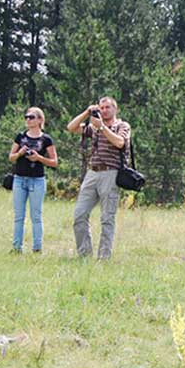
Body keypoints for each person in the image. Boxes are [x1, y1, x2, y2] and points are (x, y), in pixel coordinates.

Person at [67, 96, 130, 259]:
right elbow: (71, 127)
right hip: (92, 172)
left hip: (111, 172)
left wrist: (102, 127)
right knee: (79, 215)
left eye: (107, 107)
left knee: (107, 218)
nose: (104, 110)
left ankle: (104, 257)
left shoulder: (121, 126)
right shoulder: (93, 127)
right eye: (101, 108)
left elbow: (120, 143)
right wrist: (87, 112)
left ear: (115, 109)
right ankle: (84, 254)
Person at [8, 107, 58, 253]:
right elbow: (11, 157)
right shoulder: (20, 137)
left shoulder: (46, 139)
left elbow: (54, 162)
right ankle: (17, 247)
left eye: (31, 117)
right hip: (19, 179)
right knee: (19, 216)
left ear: (40, 120)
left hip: (37, 180)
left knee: (36, 216)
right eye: (27, 117)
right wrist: (20, 153)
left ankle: (37, 247)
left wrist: (39, 158)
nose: (28, 120)